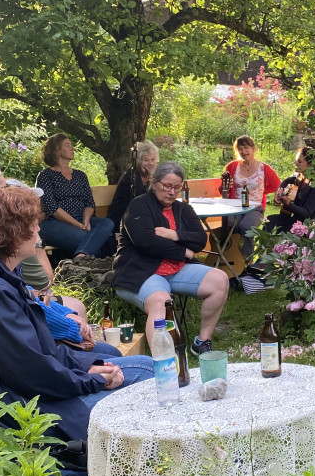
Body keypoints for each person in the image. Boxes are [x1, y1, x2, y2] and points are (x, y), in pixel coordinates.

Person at [0, 185, 155, 476]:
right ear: (14, 234)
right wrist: (91, 380)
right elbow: (31, 373)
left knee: (145, 367)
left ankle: (151, 465)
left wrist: (90, 366)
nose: (39, 229)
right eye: (33, 224)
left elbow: (41, 351)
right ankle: (151, 473)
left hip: (40, 391)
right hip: (32, 416)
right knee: (151, 380)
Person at [0, 157, 105, 351]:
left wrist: (64, 314)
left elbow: (24, 292)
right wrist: (69, 326)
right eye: (2, 188)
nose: (7, 194)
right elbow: (22, 301)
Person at [113, 162, 229, 355]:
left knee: (220, 279)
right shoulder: (139, 205)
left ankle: (202, 342)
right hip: (141, 272)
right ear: (154, 182)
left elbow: (200, 240)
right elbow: (146, 241)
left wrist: (173, 234)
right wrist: (183, 252)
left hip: (176, 270)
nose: (172, 191)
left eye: (177, 187)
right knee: (161, 301)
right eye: (167, 186)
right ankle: (163, 361)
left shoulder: (184, 209)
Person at [35, 133, 115, 258]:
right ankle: (84, 257)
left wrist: (86, 220)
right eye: (68, 145)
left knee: (107, 224)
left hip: (80, 219)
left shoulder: (80, 175)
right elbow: (52, 208)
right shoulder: (45, 176)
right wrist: (78, 226)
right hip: (54, 223)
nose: (73, 149)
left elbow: (89, 202)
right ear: (56, 151)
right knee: (95, 239)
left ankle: (81, 255)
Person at [221, 135, 282, 258]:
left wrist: (263, 191)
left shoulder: (264, 168)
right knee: (231, 223)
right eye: (240, 149)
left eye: (246, 148)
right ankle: (231, 256)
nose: (243, 151)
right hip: (235, 207)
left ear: (253, 148)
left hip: (256, 208)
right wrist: (224, 187)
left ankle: (247, 259)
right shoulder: (232, 167)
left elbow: (278, 185)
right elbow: (223, 189)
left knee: (246, 227)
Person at [264, 147, 315, 233]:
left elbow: (306, 213)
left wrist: (288, 204)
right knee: (269, 221)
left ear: (311, 165)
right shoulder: (300, 176)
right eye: (296, 160)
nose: (295, 163)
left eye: (299, 161)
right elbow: (288, 180)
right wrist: (279, 191)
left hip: (312, 225)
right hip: (297, 220)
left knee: (283, 230)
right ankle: (265, 245)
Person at [106, 139, 160, 232]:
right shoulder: (131, 177)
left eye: (153, 160)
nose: (150, 163)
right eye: (146, 160)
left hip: (137, 220)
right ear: (138, 161)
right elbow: (142, 203)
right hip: (120, 224)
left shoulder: (150, 176)